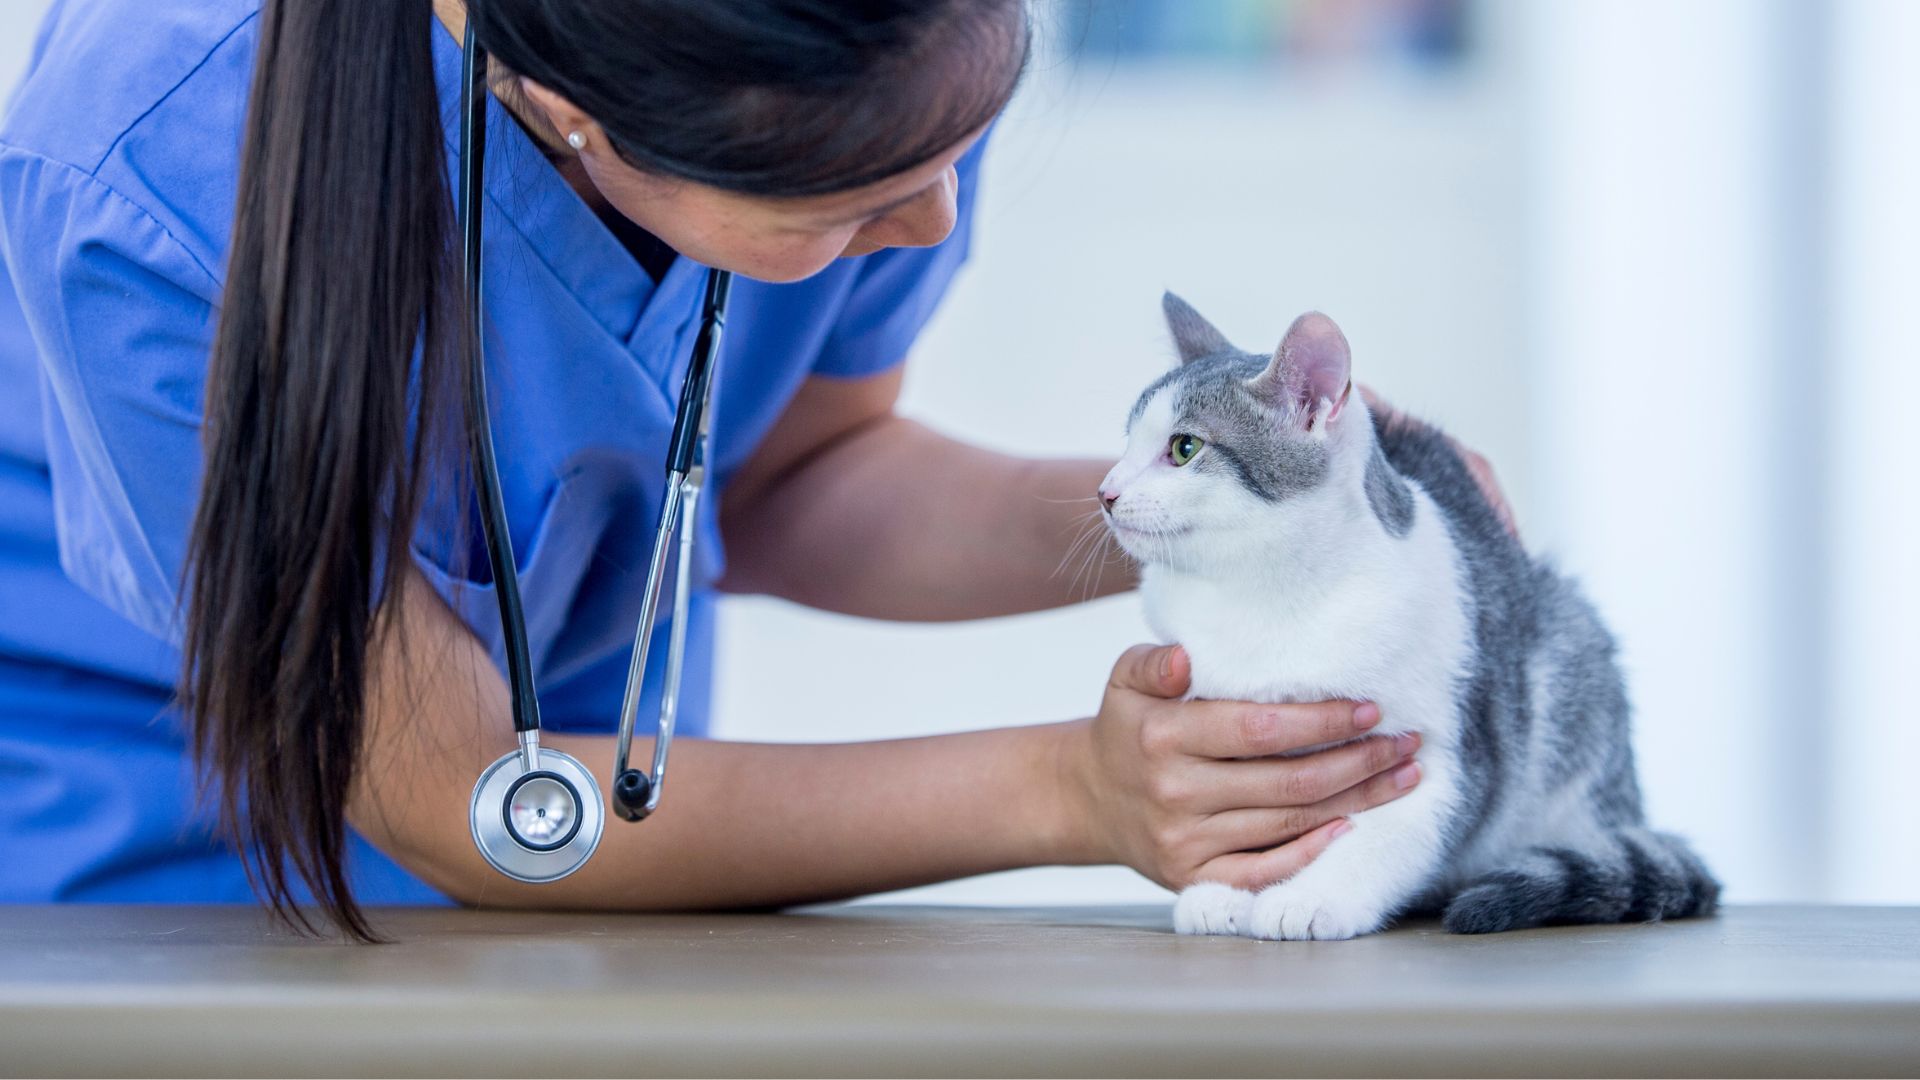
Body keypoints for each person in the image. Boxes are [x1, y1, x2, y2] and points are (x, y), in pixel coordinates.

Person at [0, 0, 1427, 938]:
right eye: (859, 197)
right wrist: (1078, 793)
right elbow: (460, 793)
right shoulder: (140, 176)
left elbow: (807, 481)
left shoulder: (881, 39)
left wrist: (1252, 512)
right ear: (577, 115)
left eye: (956, 148)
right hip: (173, 864)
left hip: (627, 872)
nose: (932, 220)